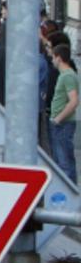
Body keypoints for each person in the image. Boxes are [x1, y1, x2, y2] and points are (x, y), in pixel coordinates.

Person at [49, 45, 78, 183]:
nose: (52, 60)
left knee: (64, 161)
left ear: (59, 58)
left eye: (53, 57)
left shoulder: (67, 76)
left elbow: (74, 101)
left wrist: (58, 119)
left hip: (63, 124)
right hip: (62, 123)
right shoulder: (67, 75)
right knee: (62, 160)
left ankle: (68, 193)